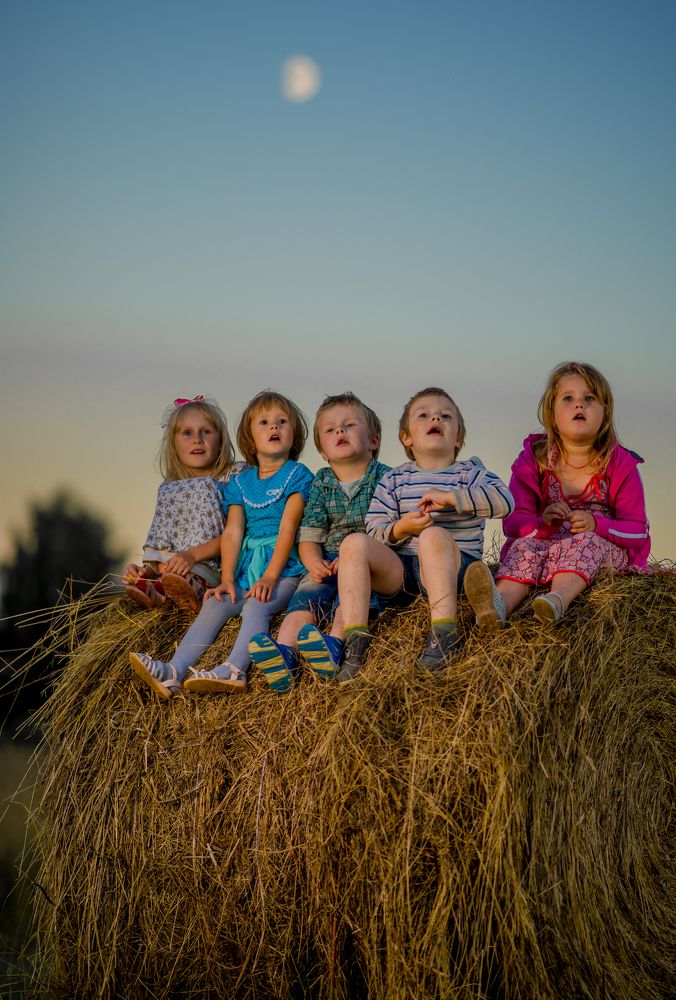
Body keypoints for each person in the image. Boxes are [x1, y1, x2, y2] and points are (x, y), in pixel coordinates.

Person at [129, 391, 313, 698]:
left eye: (282, 422)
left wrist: (270, 576)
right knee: (215, 602)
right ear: (250, 439)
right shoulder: (241, 483)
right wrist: (227, 580)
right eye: (265, 423)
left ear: (295, 435)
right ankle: (174, 670)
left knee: (257, 603)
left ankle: (234, 669)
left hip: (284, 568)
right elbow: (232, 534)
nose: (274, 427)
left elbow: (287, 529)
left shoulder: (298, 475)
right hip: (244, 568)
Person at [329, 387, 514, 681]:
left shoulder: (469, 473)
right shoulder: (395, 478)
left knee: (433, 536)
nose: (435, 417)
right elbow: (375, 530)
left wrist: (453, 498)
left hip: (453, 569)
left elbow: (505, 503)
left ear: (459, 438)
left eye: (445, 415)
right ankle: (355, 640)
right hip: (402, 575)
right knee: (353, 543)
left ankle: (444, 635)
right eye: (424, 415)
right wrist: (403, 528)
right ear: (406, 437)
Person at [464, 361, 650, 629]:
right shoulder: (534, 458)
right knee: (523, 548)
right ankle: (497, 607)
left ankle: (557, 600)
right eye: (568, 398)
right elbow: (513, 522)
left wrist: (598, 525)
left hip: (602, 549)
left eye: (589, 398)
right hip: (546, 543)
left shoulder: (619, 463)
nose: (579, 405)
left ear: (605, 414)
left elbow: (637, 531)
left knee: (584, 541)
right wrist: (541, 525)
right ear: (551, 413)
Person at [247, 392, 390, 693]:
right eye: (330, 429)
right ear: (322, 451)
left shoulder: (386, 478)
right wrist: (313, 561)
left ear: (373, 440)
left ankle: (335, 643)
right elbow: (310, 534)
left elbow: (391, 532)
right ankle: (284, 652)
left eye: (350, 425)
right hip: (326, 559)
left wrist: (353, 559)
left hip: (366, 561)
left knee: (348, 600)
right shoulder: (322, 483)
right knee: (304, 598)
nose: (340, 431)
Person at [122, 394, 241, 614]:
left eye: (206, 431)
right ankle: (157, 591)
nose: (198, 439)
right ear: (174, 445)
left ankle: (186, 590)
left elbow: (236, 533)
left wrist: (192, 556)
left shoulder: (234, 477)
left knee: (188, 577)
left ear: (221, 440)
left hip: (215, 567)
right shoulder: (168, 489)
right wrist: (145, 570)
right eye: (187, 433)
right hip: (172, 569)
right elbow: (161, 540)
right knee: (157, 577)